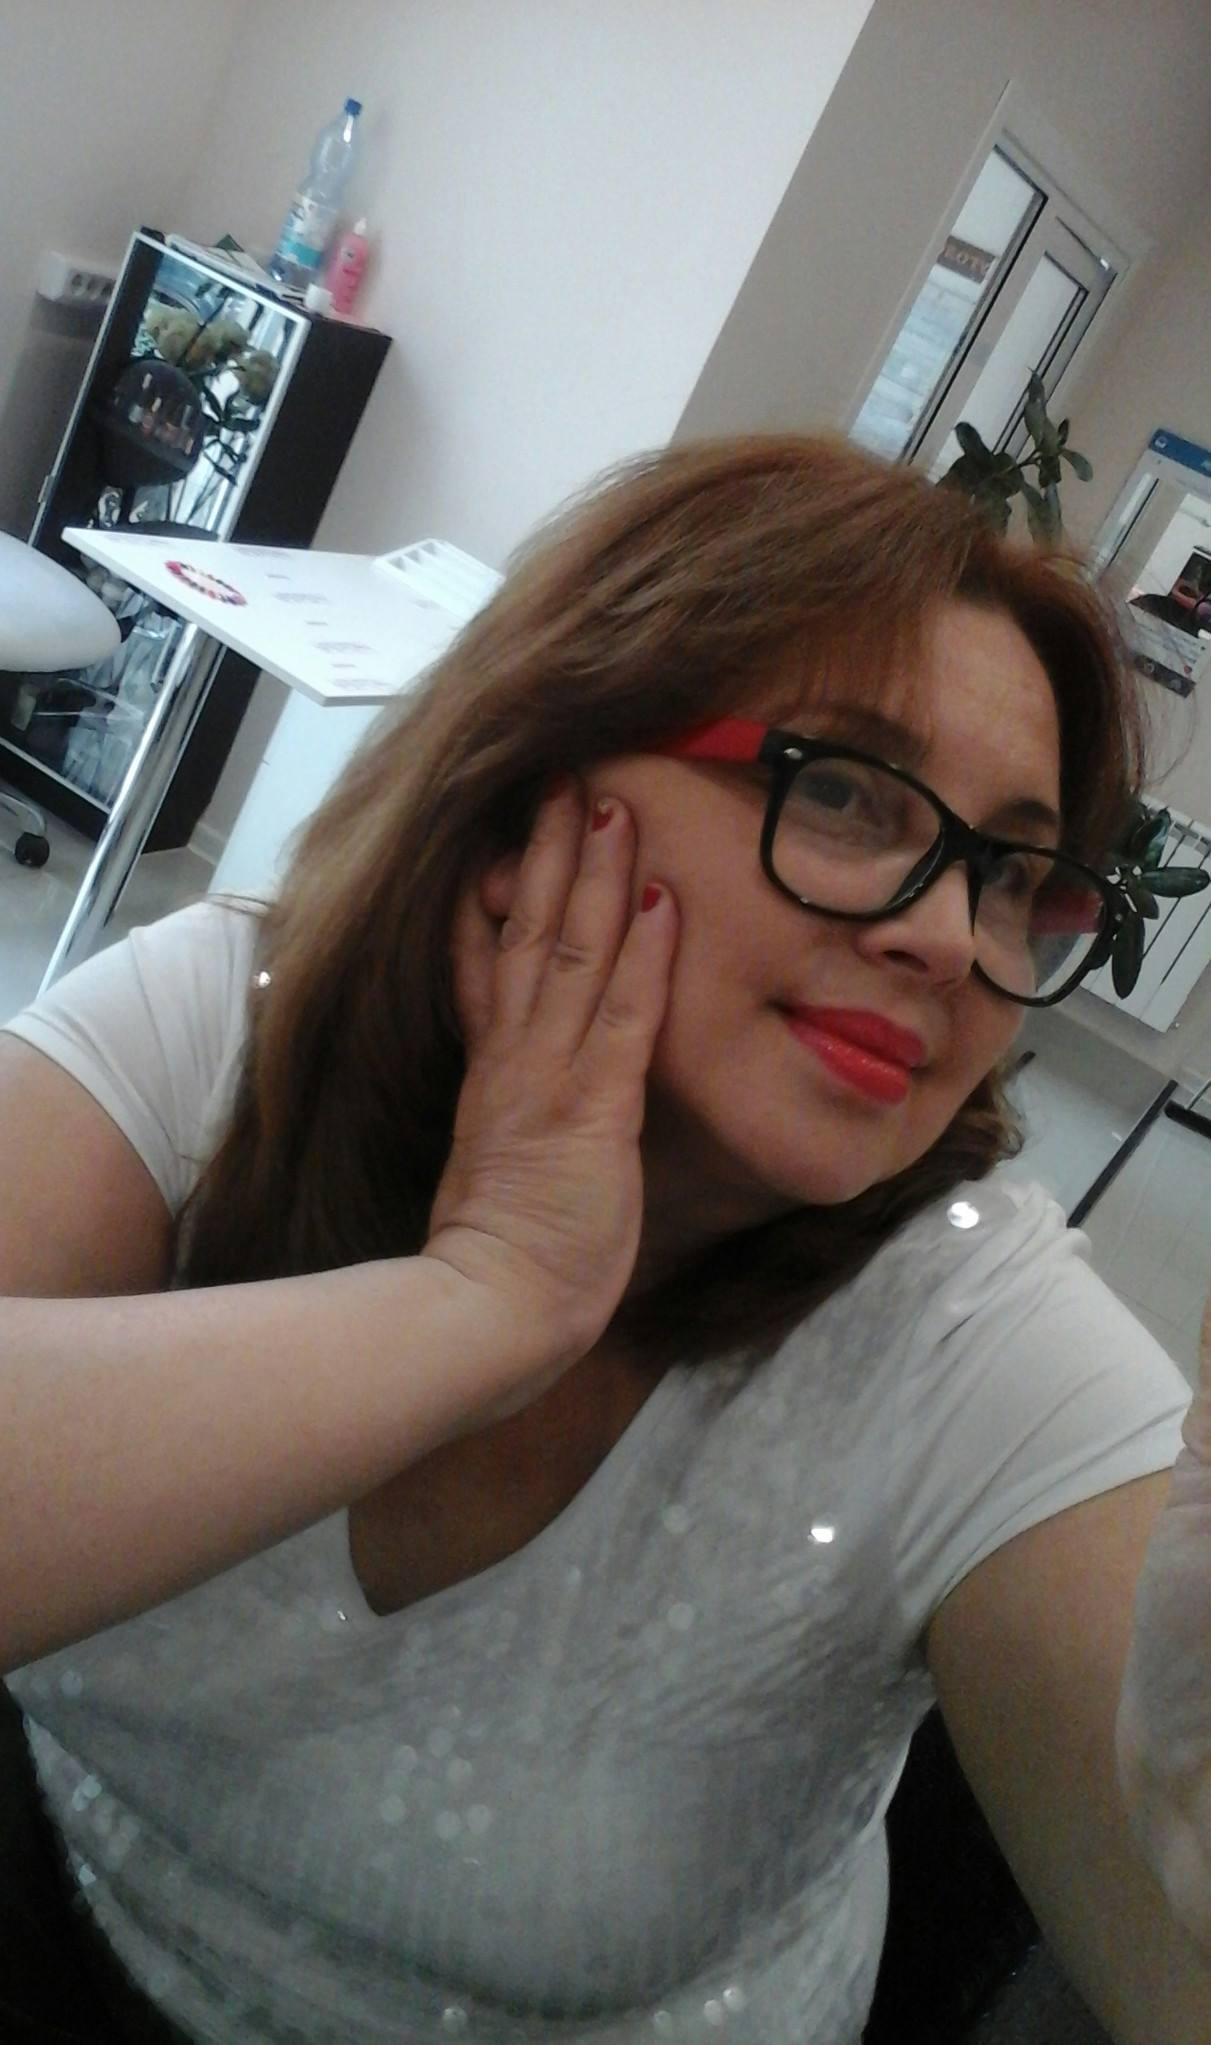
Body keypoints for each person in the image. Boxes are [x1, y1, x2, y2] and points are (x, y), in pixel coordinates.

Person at [1, 433, 1209, 2044]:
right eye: (843, 789)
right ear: (540, 776)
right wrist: (486, 1295)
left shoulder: (971, 1330)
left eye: (1008, 877)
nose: (943, 932)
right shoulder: (231, 1023)